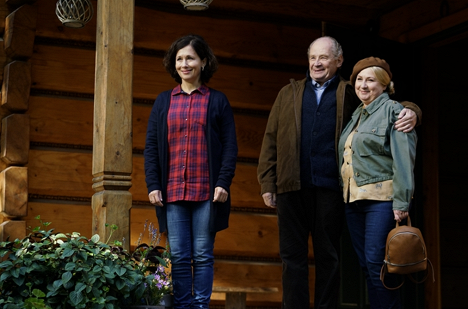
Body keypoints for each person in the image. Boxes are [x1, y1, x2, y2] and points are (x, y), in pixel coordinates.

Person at [257, 36, 421, 309]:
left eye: (324, 57)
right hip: (291, 187)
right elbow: (271, 138)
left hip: (332, 190)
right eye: (312, 57)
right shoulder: (289, 93)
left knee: (330, 258)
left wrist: (413, 111)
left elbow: (385, 107)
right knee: (292, 258)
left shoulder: (349, 93)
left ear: (339, 61)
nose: (317, 63)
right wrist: (267, 181)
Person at [144, 34, 238, 309]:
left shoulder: (217, 101)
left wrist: (223, 182)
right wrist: (153, 184)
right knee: (181, 256)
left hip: (207, 191)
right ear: (174, 65)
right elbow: (151, 146)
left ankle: (200, 306)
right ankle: (183, 306)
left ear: (203, 62)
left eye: (190, 58)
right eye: (180, 59)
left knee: (203, 255)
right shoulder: (164, 102)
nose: (185, 64)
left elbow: (230, 147)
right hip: (172, 190)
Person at [338, 57, 417, 309]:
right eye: (359, 79)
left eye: (370, 80)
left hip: (381, 201)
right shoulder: (357, 115)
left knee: (377, 264)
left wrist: (402, 201)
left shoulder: (395, 111)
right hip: (354, 201)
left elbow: (404, 158)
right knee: (367, 266)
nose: (363, 85)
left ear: (384, 85)